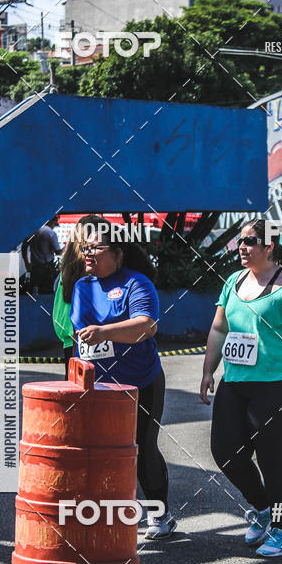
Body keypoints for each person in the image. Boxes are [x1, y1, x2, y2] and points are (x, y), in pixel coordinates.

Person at [200, 218, 282, 559]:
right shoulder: (233, 282)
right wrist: (207, 372)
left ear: (269, 246)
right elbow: (219, 329)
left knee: (275, 459)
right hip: (236, 383)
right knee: (225, 451)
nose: (241, 248)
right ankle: (262, 509)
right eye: (240, 242)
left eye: (248, 242)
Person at [70, 215, 176, 540]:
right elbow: (79, 334)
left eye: (95, 248)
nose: (87, 254)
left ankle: (161, 515)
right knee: (99, 454)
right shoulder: (81, 287)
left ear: (117, 251)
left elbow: (146, 326)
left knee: (143, 449)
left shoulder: (136, 283)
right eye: (84, 248)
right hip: (99, 387)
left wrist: (104, 332)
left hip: (142, 382)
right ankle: (106, 517)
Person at [53, 228, 85, 378]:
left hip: (71, 339)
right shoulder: (87, 275)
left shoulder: (63, 273)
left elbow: (60, 313)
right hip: (80, 340)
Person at [22, 218, 62, 296]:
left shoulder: (34, 231)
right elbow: (58, 252)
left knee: (35, 291)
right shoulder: (51, 233)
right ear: (52, 222)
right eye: (54, 224)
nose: (54, 227)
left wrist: (26, 262)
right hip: (47, 268)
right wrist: (67, 247)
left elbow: (24, 247)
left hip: (34, 267)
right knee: (47, 292)